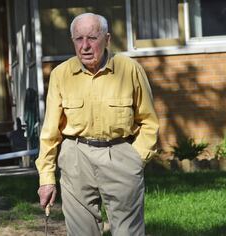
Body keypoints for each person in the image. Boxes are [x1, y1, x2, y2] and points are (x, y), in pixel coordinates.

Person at [35, 12, 159, 236]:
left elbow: (149, 121)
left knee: (128, 232)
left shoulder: (129, 69)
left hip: (120, 154)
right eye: (78, 39)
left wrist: (136, 159)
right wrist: (46, 178)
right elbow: (50, 132)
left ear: (107, 39)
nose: (85, 46)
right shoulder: (60, 75)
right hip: (75, 156)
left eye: (92, 38)